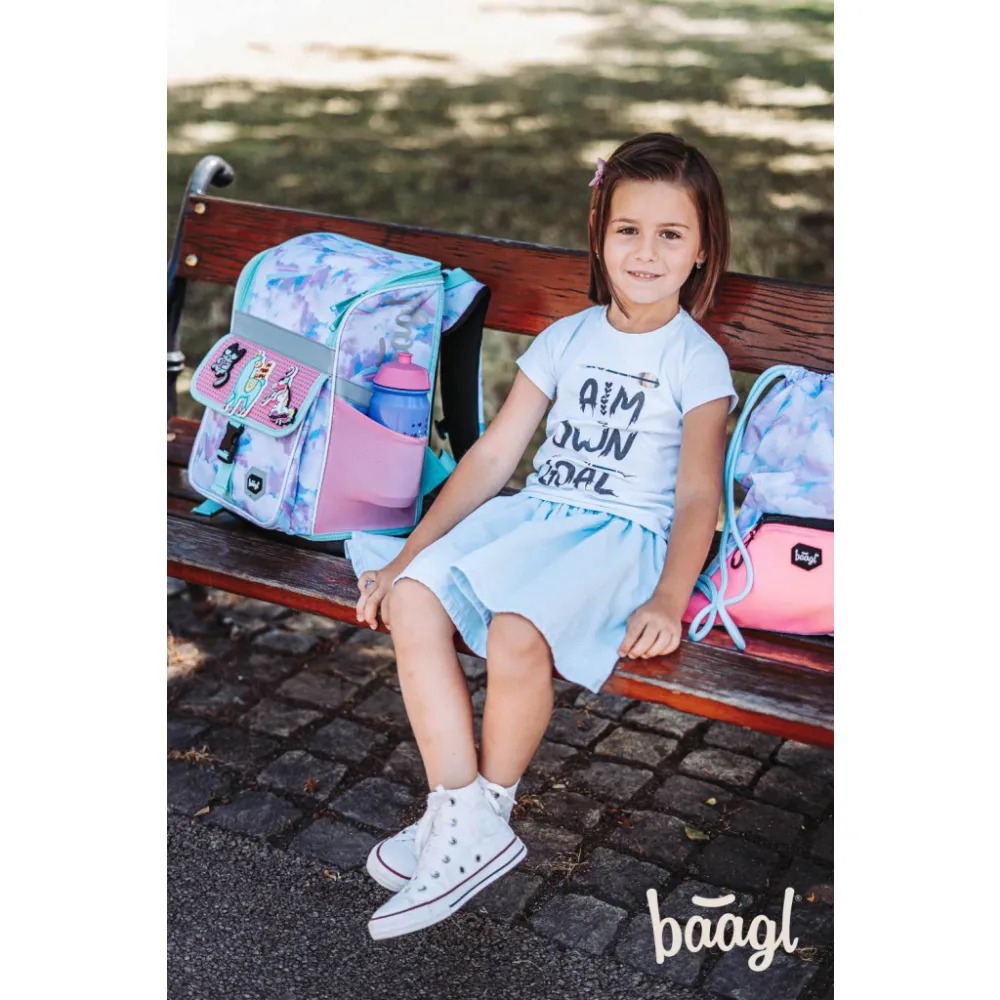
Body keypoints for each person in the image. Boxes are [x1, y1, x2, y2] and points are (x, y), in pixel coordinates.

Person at [345, 132, 738, 941]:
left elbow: (700, 492)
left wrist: (670, 596)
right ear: (599, 233)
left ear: (702, 250)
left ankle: (481, 816)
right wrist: (408, 557)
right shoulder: (567, 337)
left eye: (671, 234)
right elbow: (494, 458)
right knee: (411, 598)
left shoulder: (695, 360)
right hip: (540, 515)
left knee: (517, 630)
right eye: (629, 229)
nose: (647, 252)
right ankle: (462, 814)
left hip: (622, 538)